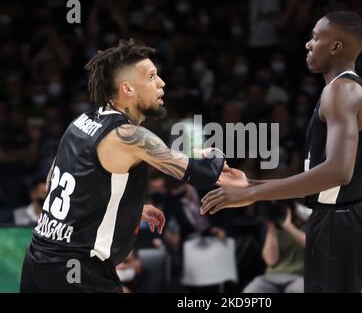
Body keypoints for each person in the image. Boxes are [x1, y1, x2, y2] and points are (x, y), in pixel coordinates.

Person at [201, 12, 362, 293]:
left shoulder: (338, 91)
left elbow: (338, 172)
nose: (308, 44)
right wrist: (251, 183)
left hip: (340, 219)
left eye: (316, 37)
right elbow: (324, 178)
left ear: (336, 47)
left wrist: (252, 194)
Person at [20, 39, 226, 293]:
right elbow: (205, 173)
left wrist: (123, 208)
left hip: (37, 259)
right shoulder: (131, 136)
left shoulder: (82, 120)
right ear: (127, 88)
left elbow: (55, 181)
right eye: (151, 77)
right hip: (77, 272)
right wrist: (213, 151)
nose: (161, 83)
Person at [243, 203, 306, 293]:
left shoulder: (309, 226)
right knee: (251, 290)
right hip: (272, 276)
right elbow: (271, 261)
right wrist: (270, 225)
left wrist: (289, 227)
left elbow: (313, 245)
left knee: (299, 289)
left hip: (299, 276)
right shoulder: (275, 230)